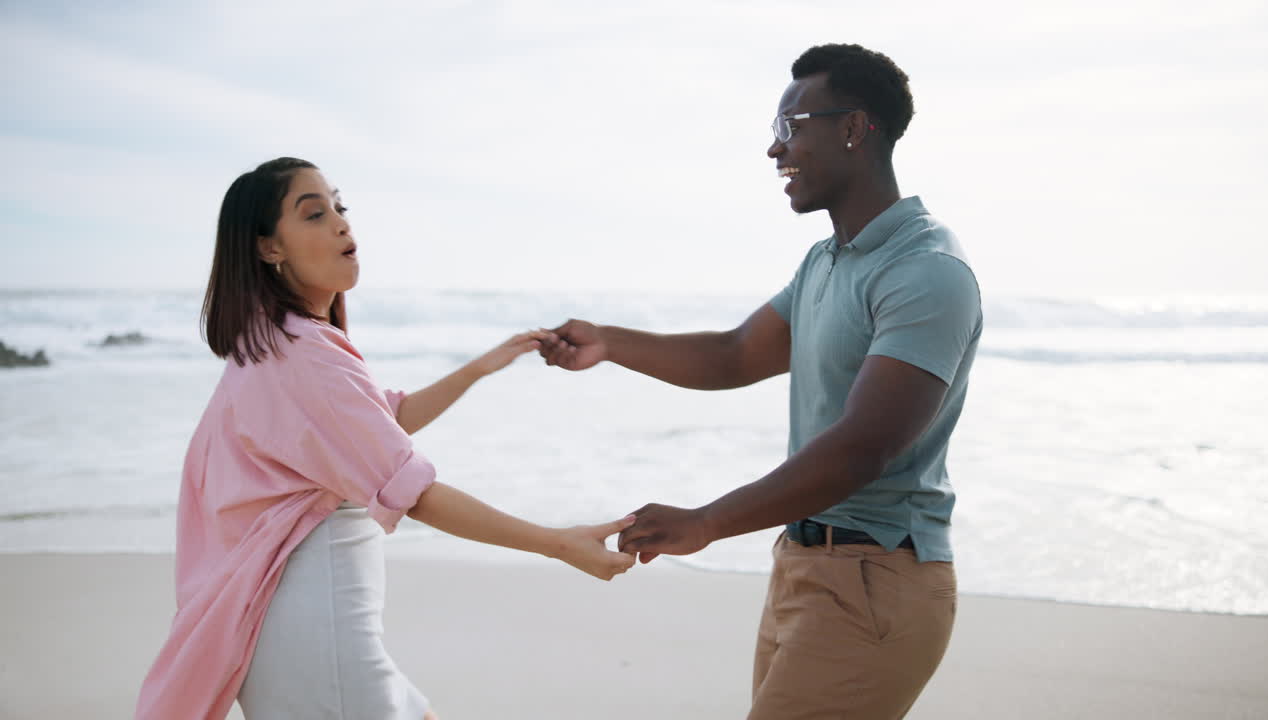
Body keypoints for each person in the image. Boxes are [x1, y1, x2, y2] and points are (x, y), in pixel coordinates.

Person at [538, 43, 982, 719]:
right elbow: (735, 355)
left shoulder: (925, 271)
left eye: (790, 128)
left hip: (876, 578)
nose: (775, 151)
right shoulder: (825, 263)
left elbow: (864, 447)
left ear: (854, 128)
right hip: (804, 566)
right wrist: (610, 343)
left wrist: (708, 521)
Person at [135, 157, 636, 720]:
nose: (342, 224)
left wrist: (479, 368)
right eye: (314, 214)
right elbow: (410, 489)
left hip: (312, 631)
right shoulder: (300, 353)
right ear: (269, 248)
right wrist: (558, 543)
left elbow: (380, 422)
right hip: (319, 639)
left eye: (340, 207)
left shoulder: (280, 342)